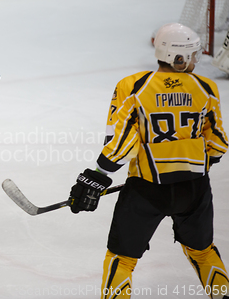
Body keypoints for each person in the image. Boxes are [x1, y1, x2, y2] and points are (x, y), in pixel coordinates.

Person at [68, 23, 229, 299]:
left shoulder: (133, 87)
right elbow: (217, 144)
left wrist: (96, 176)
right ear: (178, 58)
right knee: (203, 254)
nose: (194, 60)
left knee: (122, 259)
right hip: (194, 189)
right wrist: (192, 164)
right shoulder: (206, 87)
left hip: (145, 191)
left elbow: (120, 145)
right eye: (191, 55)